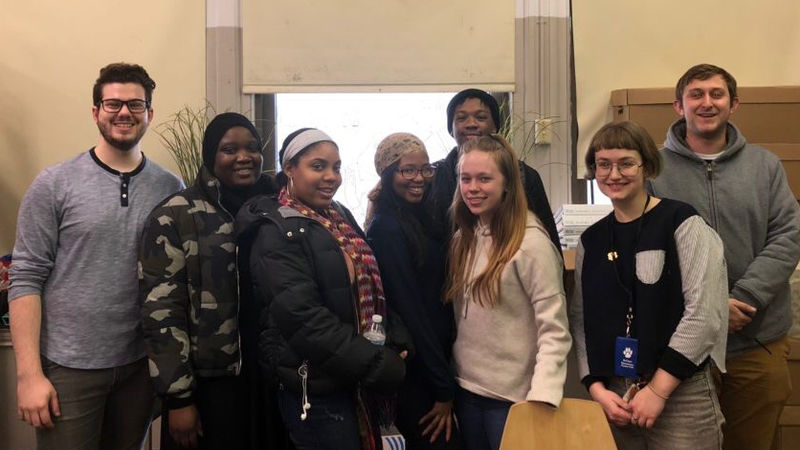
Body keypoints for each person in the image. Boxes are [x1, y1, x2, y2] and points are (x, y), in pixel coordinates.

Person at [8, 62, 183, 450]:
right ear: (95, 112)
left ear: (150, 114)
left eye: (136, 105)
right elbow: (26, 277)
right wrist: (29, 376)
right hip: (69, 370)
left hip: (140, 367)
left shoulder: (170, 188)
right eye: (113, 103)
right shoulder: (54, 184)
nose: (124, 113)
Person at [649, 64, 800, 450]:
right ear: (678, 105)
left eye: (716, 94)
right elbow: (648, 253)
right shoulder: (654, 171)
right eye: (696, 94)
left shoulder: (764, 166)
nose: (706, 102)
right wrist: (713, 306)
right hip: (683, 347)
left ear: (733, 104)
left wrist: (744, 297)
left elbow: (787, 235)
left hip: (757, 340)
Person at [236, 128, 411, 450]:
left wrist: (394, 337)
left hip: (354, 376)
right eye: (318, 166)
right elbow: (302, 317)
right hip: (316, 386)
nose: (331, 177)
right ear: (289, 169)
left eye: (337, 167)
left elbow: (370, 284)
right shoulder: (277, 230)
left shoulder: (337, 216)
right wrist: (375, 364)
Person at [572, 120, 729, 449]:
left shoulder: (682, 222)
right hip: (617, 397)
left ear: (647, 166)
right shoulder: (592, 240)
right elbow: (582, 321)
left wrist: (658, 390)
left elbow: (704, 314)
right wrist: (597, 390)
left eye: (626, 163)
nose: (614, 174)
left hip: (679, 393)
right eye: (603, 164)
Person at [139, 112, 277, 449]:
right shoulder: (175, 214)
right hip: (210, 385)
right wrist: (179, 398)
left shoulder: (278, 209)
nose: (244, 157)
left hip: (272, 377)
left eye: (252, 148)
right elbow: (162, 313)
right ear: (210, 156)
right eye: (229, 149)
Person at [445, 134, 571, 450]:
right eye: (466, 178)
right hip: (468, 391)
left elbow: (555, 330)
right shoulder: (465, 238)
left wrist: (542, 396)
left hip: (514, 400)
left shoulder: (531, 245)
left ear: (507, 184)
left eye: (484, 179)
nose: (473, 188)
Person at [365, 133, 464, 449]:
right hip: (419, 374)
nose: (419, 178)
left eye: (425, 169)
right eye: (407, 170)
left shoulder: (421, 217)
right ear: (388, 173)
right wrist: (442, 388)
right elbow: (412, 312)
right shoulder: (387, 228)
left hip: (437, 361)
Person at [431, 88, 560, 251]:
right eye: (461, 118)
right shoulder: (435, 176)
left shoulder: (523, 175)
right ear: (451, 129)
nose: (471, 124)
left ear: (495, 126)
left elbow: (549, 239)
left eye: (481, 117)